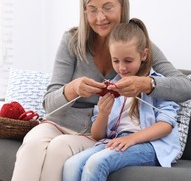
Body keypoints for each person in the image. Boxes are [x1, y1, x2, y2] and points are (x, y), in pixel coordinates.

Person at [11, 0, 191, 181]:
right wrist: (72, 89)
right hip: (57, 123)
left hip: (95, 132)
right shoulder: (72, 41)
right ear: (84, 12)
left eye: (108, 8)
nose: (100, 18)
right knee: (32, 145)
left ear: (122, 7)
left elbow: (186, 88)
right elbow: (49, 104)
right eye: (92, 10)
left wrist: (146, 83)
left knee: (59, 150)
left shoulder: (138, 47)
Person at [62, 18, 181, 181]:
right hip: (117, 141)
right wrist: (103, 114)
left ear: (144, 55)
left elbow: (166, 125)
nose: (121, 67)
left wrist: (131, 139)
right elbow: (97, 135)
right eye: (115, 61)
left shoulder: (156, 84)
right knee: (71, 164)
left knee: (97, 162)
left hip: (150, 145)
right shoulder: (112, 86)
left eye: (128, 61)